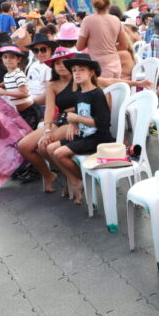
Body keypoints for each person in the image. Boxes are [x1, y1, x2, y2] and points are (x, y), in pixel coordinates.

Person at [46, 53, 114, 204]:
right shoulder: (78, 94)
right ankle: (77, 179)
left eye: (82, 69)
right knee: (50, 149)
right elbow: (78, 113)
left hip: (98, 138)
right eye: (74, 70)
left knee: (59, 153)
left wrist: (77, 119)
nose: (77, 73)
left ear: (91, 72)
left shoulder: (97, 93)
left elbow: (103, 123)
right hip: (84, 134)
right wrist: (72, 124)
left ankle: (83, 178)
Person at [17, 48, 78, 194]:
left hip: (76, 120)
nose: (61, 66)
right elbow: (49, 110)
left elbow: (107, 82)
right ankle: (49, 174)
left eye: (64, 62)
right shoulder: (53, 84)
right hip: (60, 120)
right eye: (57, 63)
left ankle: (73, 178)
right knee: (24, 146)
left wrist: (131, 82)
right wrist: (47, 130)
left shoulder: (80, 78)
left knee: (44, 145)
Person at [76, 0, 125, 78]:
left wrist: (94, 45)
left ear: (92, 3)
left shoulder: (88, 20)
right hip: (116, 64)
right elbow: (124, 45)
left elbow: (79, 47)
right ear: (109, 4)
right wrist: (109, 48)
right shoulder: (116, 20)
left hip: (99, 67)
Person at [25, 33, 58, 106]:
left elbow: (49, 93)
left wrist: (31, 103)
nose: (39, 53)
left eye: (43, 50)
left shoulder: (51, 67)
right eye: (36, 50)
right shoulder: (33, 65)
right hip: (28, 101)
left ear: (49, 49)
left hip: (40, 106)